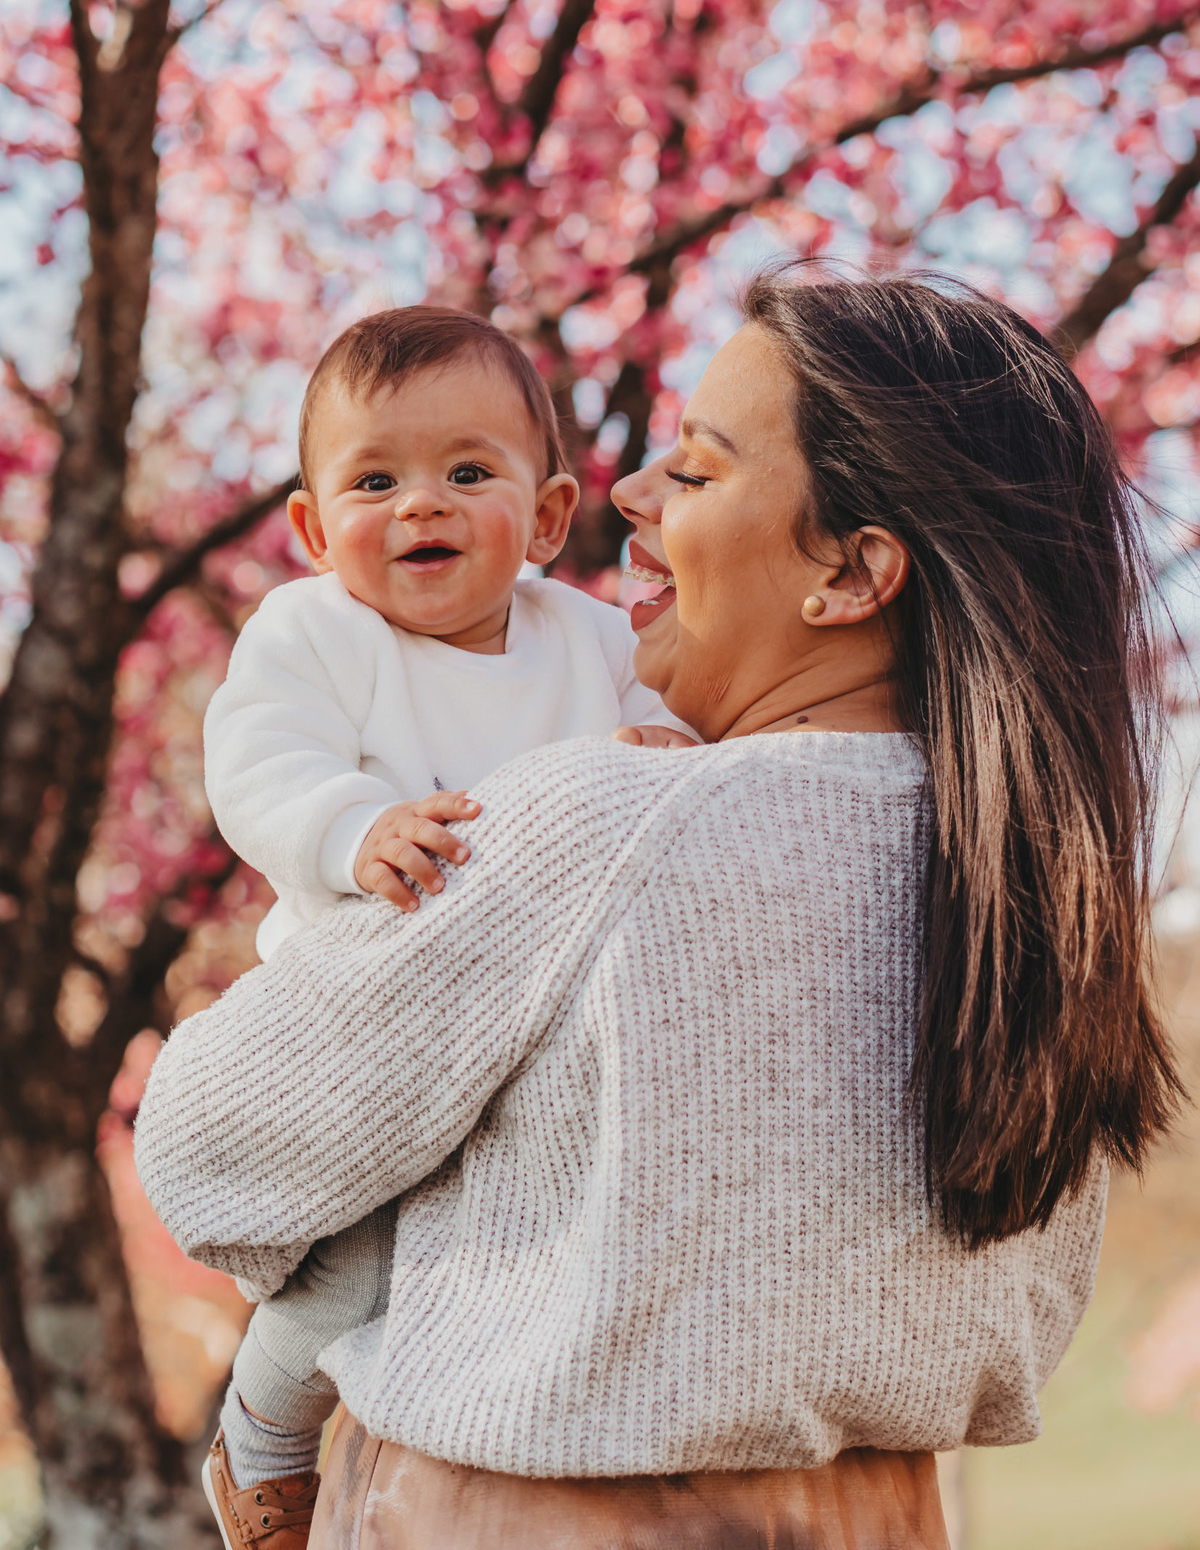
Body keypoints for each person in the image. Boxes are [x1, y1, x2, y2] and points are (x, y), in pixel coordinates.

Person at [135, 271, 1180, 1550]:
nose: (629, 494)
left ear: (852, 574)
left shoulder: (600, 823)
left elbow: (212, 1156)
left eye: (693, 471)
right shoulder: (1043, 897)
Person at [199, 305, 693, 1542]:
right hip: (364, 1015)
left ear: (544, 515)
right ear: (314, 528)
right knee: (360, 1263)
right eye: (376, 480)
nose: (421, 505)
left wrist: (664, 748)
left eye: (468, 473)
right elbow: (257, 761)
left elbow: (673, 723)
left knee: (511, 1249)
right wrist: (350, 827)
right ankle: (261, 1430)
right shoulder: (315, 632)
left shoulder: (588, 634)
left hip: (535, 1031)